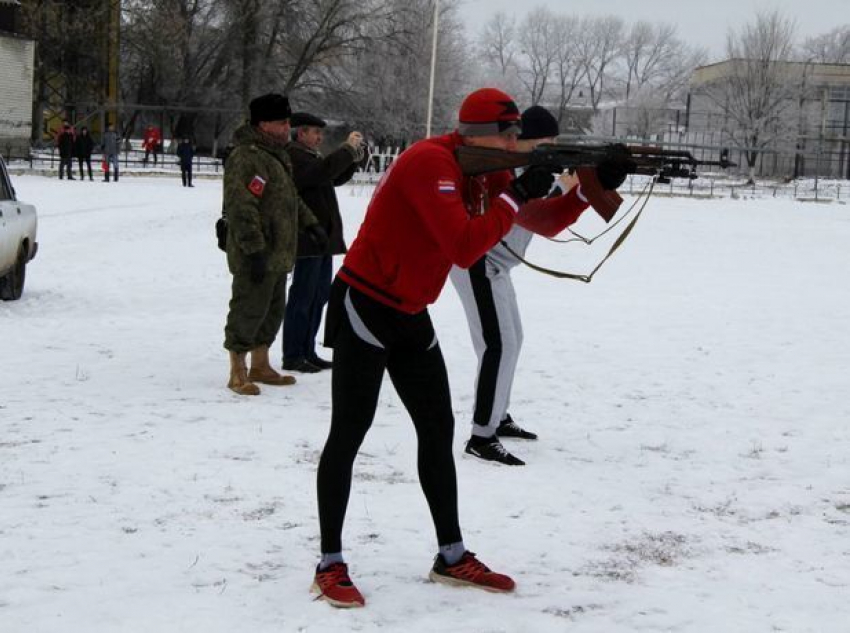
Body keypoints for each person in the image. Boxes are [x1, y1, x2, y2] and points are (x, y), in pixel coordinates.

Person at [312, 88, 558, 608]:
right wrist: (517, 194)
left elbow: (542, 222)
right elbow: (466, 246)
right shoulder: (431, 162)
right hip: (367, 304)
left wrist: (586, 188)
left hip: (410, 311)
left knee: (438, 429)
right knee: (349, 432)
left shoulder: (481, 167)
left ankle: (451, 556)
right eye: (509, 134)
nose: (516, 143)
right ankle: (329, 563)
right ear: (481, 136)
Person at [450, 105, 596, 466]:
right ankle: (482, 435)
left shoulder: (526, 172)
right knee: (497, 345)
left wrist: (582, 188)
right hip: (480, 263)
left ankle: (497, 416)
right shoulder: (507, 172)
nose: (554, 147)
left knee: (511, 339)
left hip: (497, 265)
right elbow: (542, 219)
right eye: (548, 142)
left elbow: (545, 213)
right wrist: (574, 191)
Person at [222, 93, 328, 396]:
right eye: (282, 123)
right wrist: (253, 249)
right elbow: (241, 206)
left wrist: (311, 224)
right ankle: (237, 370)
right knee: (249, 306)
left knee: (272, 309)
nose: (287, 128)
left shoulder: (276, 154)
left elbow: (289, 197)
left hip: (279, 250)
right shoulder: (247, 155)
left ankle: (261, 364)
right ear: (263, 123)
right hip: (256, 251)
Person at [281, 112, 363, 373]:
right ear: (301, 133)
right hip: (307, 238)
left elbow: (332, 176)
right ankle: (293, 353)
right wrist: (346, 150)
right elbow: (321, 172)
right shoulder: (293, 155)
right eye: (315, 133)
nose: (319, 138)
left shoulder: (309, 157)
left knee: (318, 297)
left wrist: (353, 158)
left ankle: (307, 350)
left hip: (322, 240)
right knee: (303, 297)